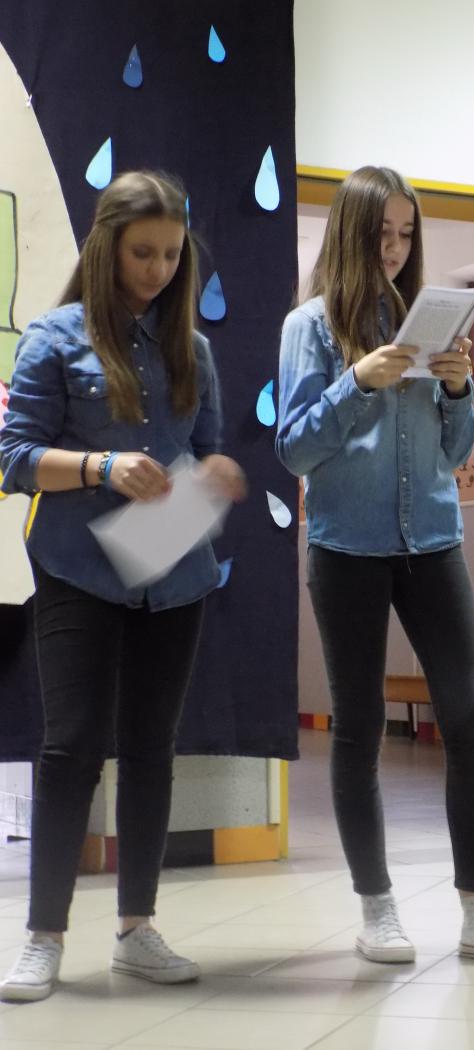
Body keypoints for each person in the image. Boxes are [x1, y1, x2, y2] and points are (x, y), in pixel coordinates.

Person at [276, 165, 474, 969]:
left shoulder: (429, 323)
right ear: (350, 234)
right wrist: (356, 381)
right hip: (345, 548)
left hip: (433, 544)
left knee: (471, 721)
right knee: (356, 729)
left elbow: (453, 451)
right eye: (381, 233)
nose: (393, 248)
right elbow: (293, 448)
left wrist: (456, 390)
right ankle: (376, 907)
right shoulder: (310, 327)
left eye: (405, 233)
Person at [0, 170, 246, 1002]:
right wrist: (102, 466)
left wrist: (214, 475)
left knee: (150, 750)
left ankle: (137, 930)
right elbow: (12, 459)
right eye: (143, 253)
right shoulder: (53, 336)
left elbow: (205, 449)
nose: (157, 271)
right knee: (70, 748)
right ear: (106, 247)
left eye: (172, 256)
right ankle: (43, 938)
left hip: (172, 572)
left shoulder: (193, 350)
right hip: (76, 568)